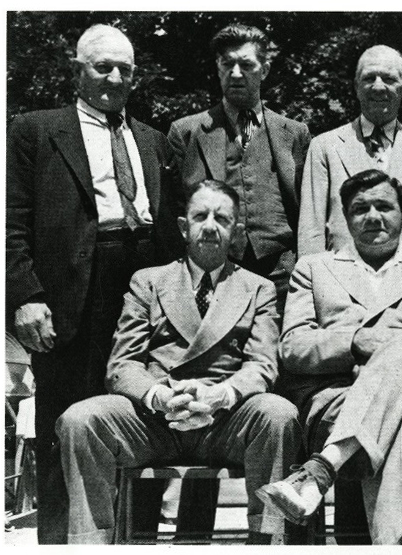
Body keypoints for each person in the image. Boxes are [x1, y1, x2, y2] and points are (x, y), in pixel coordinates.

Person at [5, 24, 183, 543]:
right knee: (67, 420)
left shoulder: (151, 139)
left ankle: (140, 538)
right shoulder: (35, 130)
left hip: (146, 283)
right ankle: (62, 541)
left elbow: (169, 226)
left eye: (124, 69)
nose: (114, 77)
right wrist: (25, 296)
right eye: (102, 66)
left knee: (147, 407)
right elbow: (10, 220)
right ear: (77, 70)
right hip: (71, 292)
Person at [56, 180, 303, 545]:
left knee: (278, 414)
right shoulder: (149, 281)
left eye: (222, 218)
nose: (210, 226)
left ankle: (268, 540)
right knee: (79, 420)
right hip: (154, 419)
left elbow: (262, 365)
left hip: (224, 420)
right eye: (200, 216)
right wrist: (159, 396)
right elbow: (122, 364)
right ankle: (90, 543)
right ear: (183, 227)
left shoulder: (258, 287)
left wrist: (221, 394)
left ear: (235, 230)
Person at [257, 169, 402, 544]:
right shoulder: (314, 269)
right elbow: (293, 347)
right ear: (345, 217)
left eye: (384, 206)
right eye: (361, 208)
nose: (373, 216)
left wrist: (400, 346)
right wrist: (359, 341)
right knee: (401, 424)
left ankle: (321, 468)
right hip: (336, 406)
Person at [168, 23, 311, 312]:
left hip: (282, 273)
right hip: (214, 270)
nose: (235, 73)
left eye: (246, 64)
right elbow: (173, 210)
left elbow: (310, 210)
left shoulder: (294, 133)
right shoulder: (186, 132)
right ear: (217, 68)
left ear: (265, 70)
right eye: (227, 64)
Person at [298, 45, 402, 257]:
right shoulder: (325, 147)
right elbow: (311, 231)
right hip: (343, 279)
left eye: (388, 79)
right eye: (369, 78)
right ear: (356, 86)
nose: (378, 87)